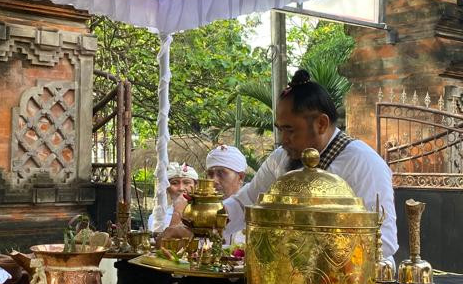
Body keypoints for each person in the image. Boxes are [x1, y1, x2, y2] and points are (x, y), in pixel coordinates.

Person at [223, 69, 398, 263]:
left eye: (290, 130)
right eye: (280, 130)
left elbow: (384, 240)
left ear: (321, 124)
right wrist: (202, 222)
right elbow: (246, 202)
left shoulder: (364, 163)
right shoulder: (281, 158)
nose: (284, 140)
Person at [148, 162, 198, 232]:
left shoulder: (206, 213)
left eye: (186, 183)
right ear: (167, 188)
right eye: (174, 183)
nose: (181, 188)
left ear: (196, 186)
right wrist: (178, 211)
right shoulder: (156, 218)